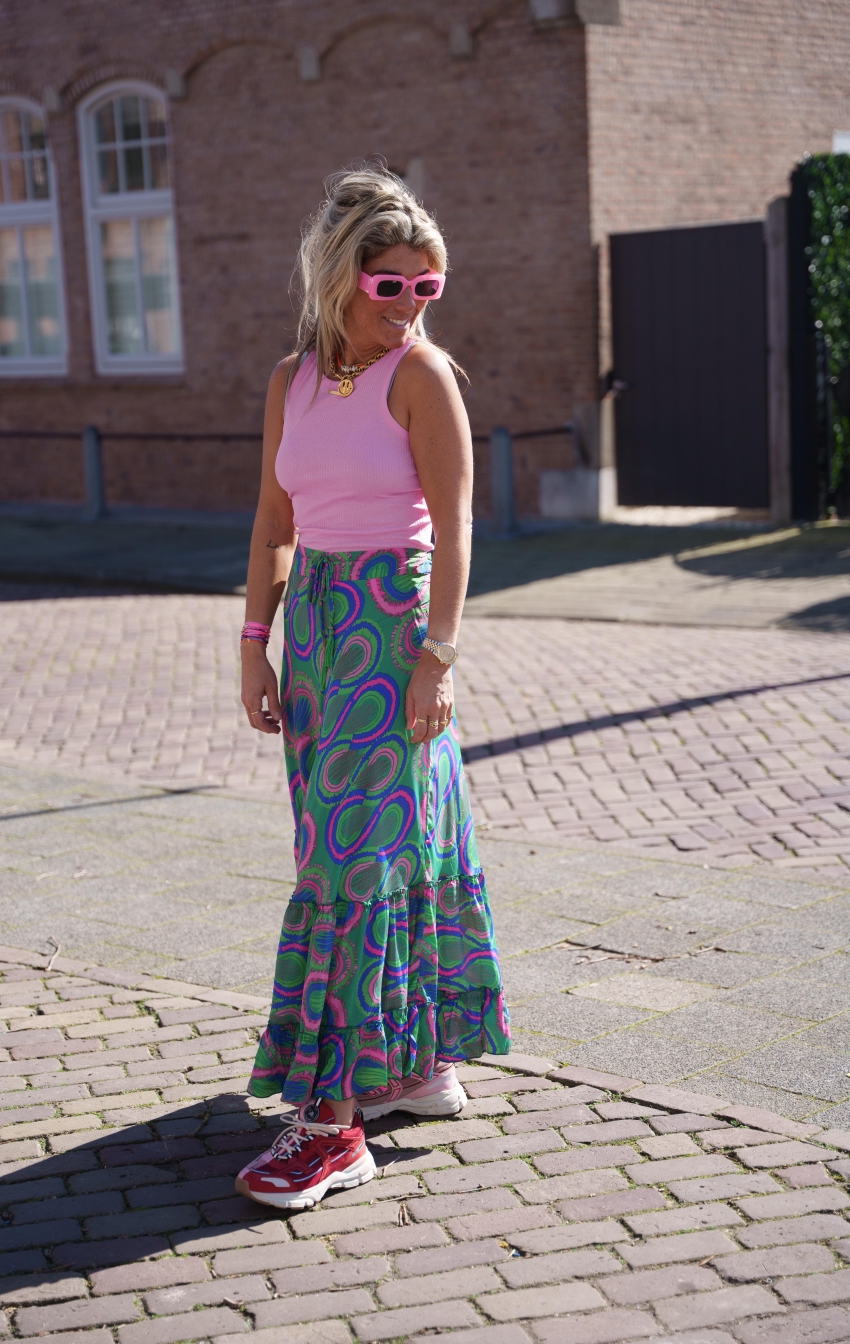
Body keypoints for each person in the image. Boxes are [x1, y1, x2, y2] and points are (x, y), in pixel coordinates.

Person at [234, 165, 510, 1211]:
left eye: (426, 286)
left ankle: (334, 1124)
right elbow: (273, 522)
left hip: (392, 635)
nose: (407, 304)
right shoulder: (291, 380)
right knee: (358, 853)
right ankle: (415, 1069)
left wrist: (438, 657)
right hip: (315, 635)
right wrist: (253, 643)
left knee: (358, 862)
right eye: (389, 284)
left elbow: (457, 525)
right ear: (339, 274)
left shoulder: (423, 376)